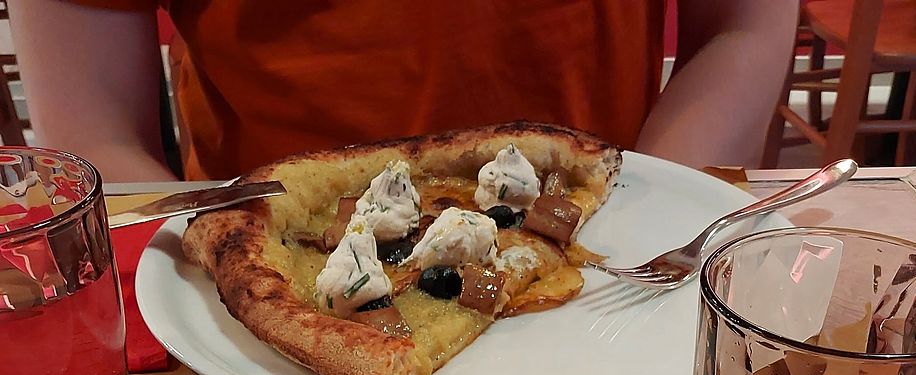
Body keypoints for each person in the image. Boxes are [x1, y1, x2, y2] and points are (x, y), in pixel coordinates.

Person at [11, 0, 798, 182]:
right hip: (263, 280)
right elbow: (94, 137)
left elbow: (741, 26)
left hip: (606, 266)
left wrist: (654, 221)